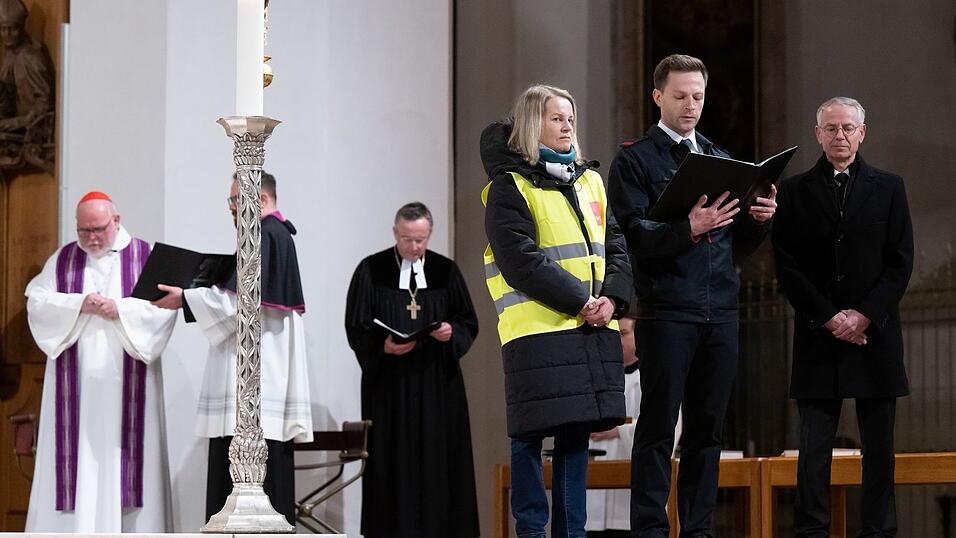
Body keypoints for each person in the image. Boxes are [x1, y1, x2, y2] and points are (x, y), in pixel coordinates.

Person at [606, 54, 777, 537]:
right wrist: (687, 228)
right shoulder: (635, 160)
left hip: (720, 312)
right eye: (680, 96)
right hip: (667, 312)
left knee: (708, 433)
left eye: (697, 96)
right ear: (658, 96)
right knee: (659, 430)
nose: (690, 105)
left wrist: (760, 221)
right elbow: (632, 237)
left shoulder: (720, 160)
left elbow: (734, 245)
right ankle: (650, 530)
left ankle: (698, 530)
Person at [481, 84, 632, 538]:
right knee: (529, 436)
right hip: (536, 330)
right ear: (532, 125)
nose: (567, 125)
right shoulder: (510, 186)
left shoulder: (590, 180)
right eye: (556, 118)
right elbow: (519, 260)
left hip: (591, 326)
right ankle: (531, 532)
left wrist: (613, 299)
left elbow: (616, 244)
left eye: (570, 118)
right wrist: (580, 301)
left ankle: (573, 533)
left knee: (575, 437)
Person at [772, 97, 913, 537]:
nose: (840, 136)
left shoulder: (890, 187)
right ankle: (812, 532)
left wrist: (865, 316)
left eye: (848, 128)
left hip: (876, 336)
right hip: (819, 335)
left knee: (880, 451)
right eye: (831, 128)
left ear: (862, 133)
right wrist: (831, 317)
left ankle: (879, 532)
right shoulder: (793, 191)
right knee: (814, 453)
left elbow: (901, 261)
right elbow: (785, 264)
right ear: (818, 134)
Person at [152, 172, 313, 525]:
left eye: (237, 201)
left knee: (249, 473)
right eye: (231, 201)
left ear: (264, 200)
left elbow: (237, 304)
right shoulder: (276, 234)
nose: (232, 209)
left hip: (256, 379)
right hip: (261, 370)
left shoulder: (265, 234)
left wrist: (186, 299)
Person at [24, 191, 177, 532]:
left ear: (116, 221)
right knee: (75, 460)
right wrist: (80, 304)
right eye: (84, 230)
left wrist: (118, 308)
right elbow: (37, 303)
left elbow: (164, 309)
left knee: (129, 461)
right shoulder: (62, 260)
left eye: (98, 229)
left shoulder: (144, 256)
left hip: (127, 381)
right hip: (75, 389)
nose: (91, 238)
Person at [345, 201, 480, 538]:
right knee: (392, 463)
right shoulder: (371, 270)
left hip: (437, 385)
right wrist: (382, 347)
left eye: (420, 240)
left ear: (429, 234)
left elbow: (467, 321)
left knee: (439, 462)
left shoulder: (446, 271)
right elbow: (356, 325)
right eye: (407, 239)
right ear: (395, 233)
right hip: (390, 388)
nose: (414, 247)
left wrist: (451, 333)